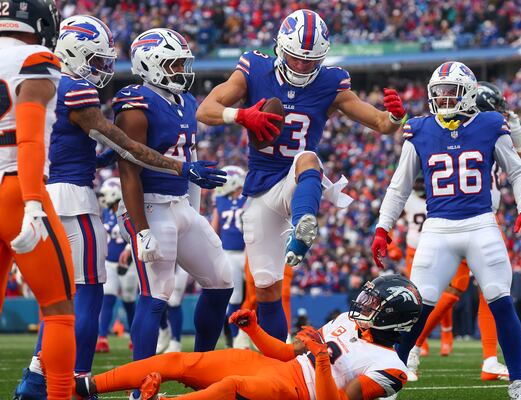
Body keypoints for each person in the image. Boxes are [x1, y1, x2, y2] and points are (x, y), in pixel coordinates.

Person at [16, 16, 226, 399]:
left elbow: (65, 141)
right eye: (95, 60)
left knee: (58, 297)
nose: (101, 69)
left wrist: (98, 157)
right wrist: (179, 167)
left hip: (37, 192)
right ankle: (77, 381)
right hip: (72, 198)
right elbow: (125, 145)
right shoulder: (77, 88)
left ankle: (35, 381)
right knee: (88, 294)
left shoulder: (37, 80)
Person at [196, 9, 406, 342]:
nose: (302, 66)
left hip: (298, 179)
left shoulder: (331, 82)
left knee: (308, 158)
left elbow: (381, 124)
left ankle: (303, 222)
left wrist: (396, 117)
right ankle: (278, 367)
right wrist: (241, 115)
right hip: (261, 187)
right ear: (280, 47)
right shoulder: (254, 68)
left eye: (310, 61)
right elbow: (205, 110)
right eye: (296, 58)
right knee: (266, 290)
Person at [371, 61, 521, 400]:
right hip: (438, 229)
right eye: (439, 93)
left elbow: (520, 172)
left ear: (469, 94)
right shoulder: (418, 129)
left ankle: (517, 383)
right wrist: (382, 227)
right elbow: (398, 187)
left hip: (481, 224)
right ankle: (392, 383)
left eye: (451, 92)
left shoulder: (491, 123)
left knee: (500, 301)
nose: (444, 98)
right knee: (414, 309)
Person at [113, 29, 233, 397]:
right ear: (149, 63)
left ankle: (198, 370)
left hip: (180, 205)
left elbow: (192, 161)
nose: (181, 69)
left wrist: (195, 211)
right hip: (148, 205)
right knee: (157, 295)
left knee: (221, 281)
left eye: (183, 61)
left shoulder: (185, 100)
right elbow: (128, 168)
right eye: (174, 62)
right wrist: (142, 228)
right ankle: (140, 389)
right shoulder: (135, 103)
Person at [74, 274, 421, 400]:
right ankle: (88, 387)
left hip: (296, 392)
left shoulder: (391, 369)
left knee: (232, 386)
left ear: (392, 318)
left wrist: (320, 360)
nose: (363, 303)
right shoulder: (348, 320)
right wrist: (253, 329)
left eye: (374, 302)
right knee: (179, 362)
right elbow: (286, 353)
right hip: (275, 367)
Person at [0, 1, 76, 399]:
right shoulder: (35, 57)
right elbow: (27, 136)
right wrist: (32, 204)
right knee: (59, 308)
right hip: (16, 188)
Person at [96, 177, 138, 354]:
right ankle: (102, 338)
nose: (102, 198)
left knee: (129, 300)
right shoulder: (106, 212)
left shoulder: (127, 208)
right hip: (109, 262)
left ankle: (135, 337)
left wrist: (128, 248)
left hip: (128, 264)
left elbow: (136, 230)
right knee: (108, 297)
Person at [211, 165, 248, 347]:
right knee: (234, 298)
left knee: (254, 297)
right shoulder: (220, 200)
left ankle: (250, 336)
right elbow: (214, 227)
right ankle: (234, 338)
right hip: (229, 254)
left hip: (248, 252)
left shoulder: (248, 198)